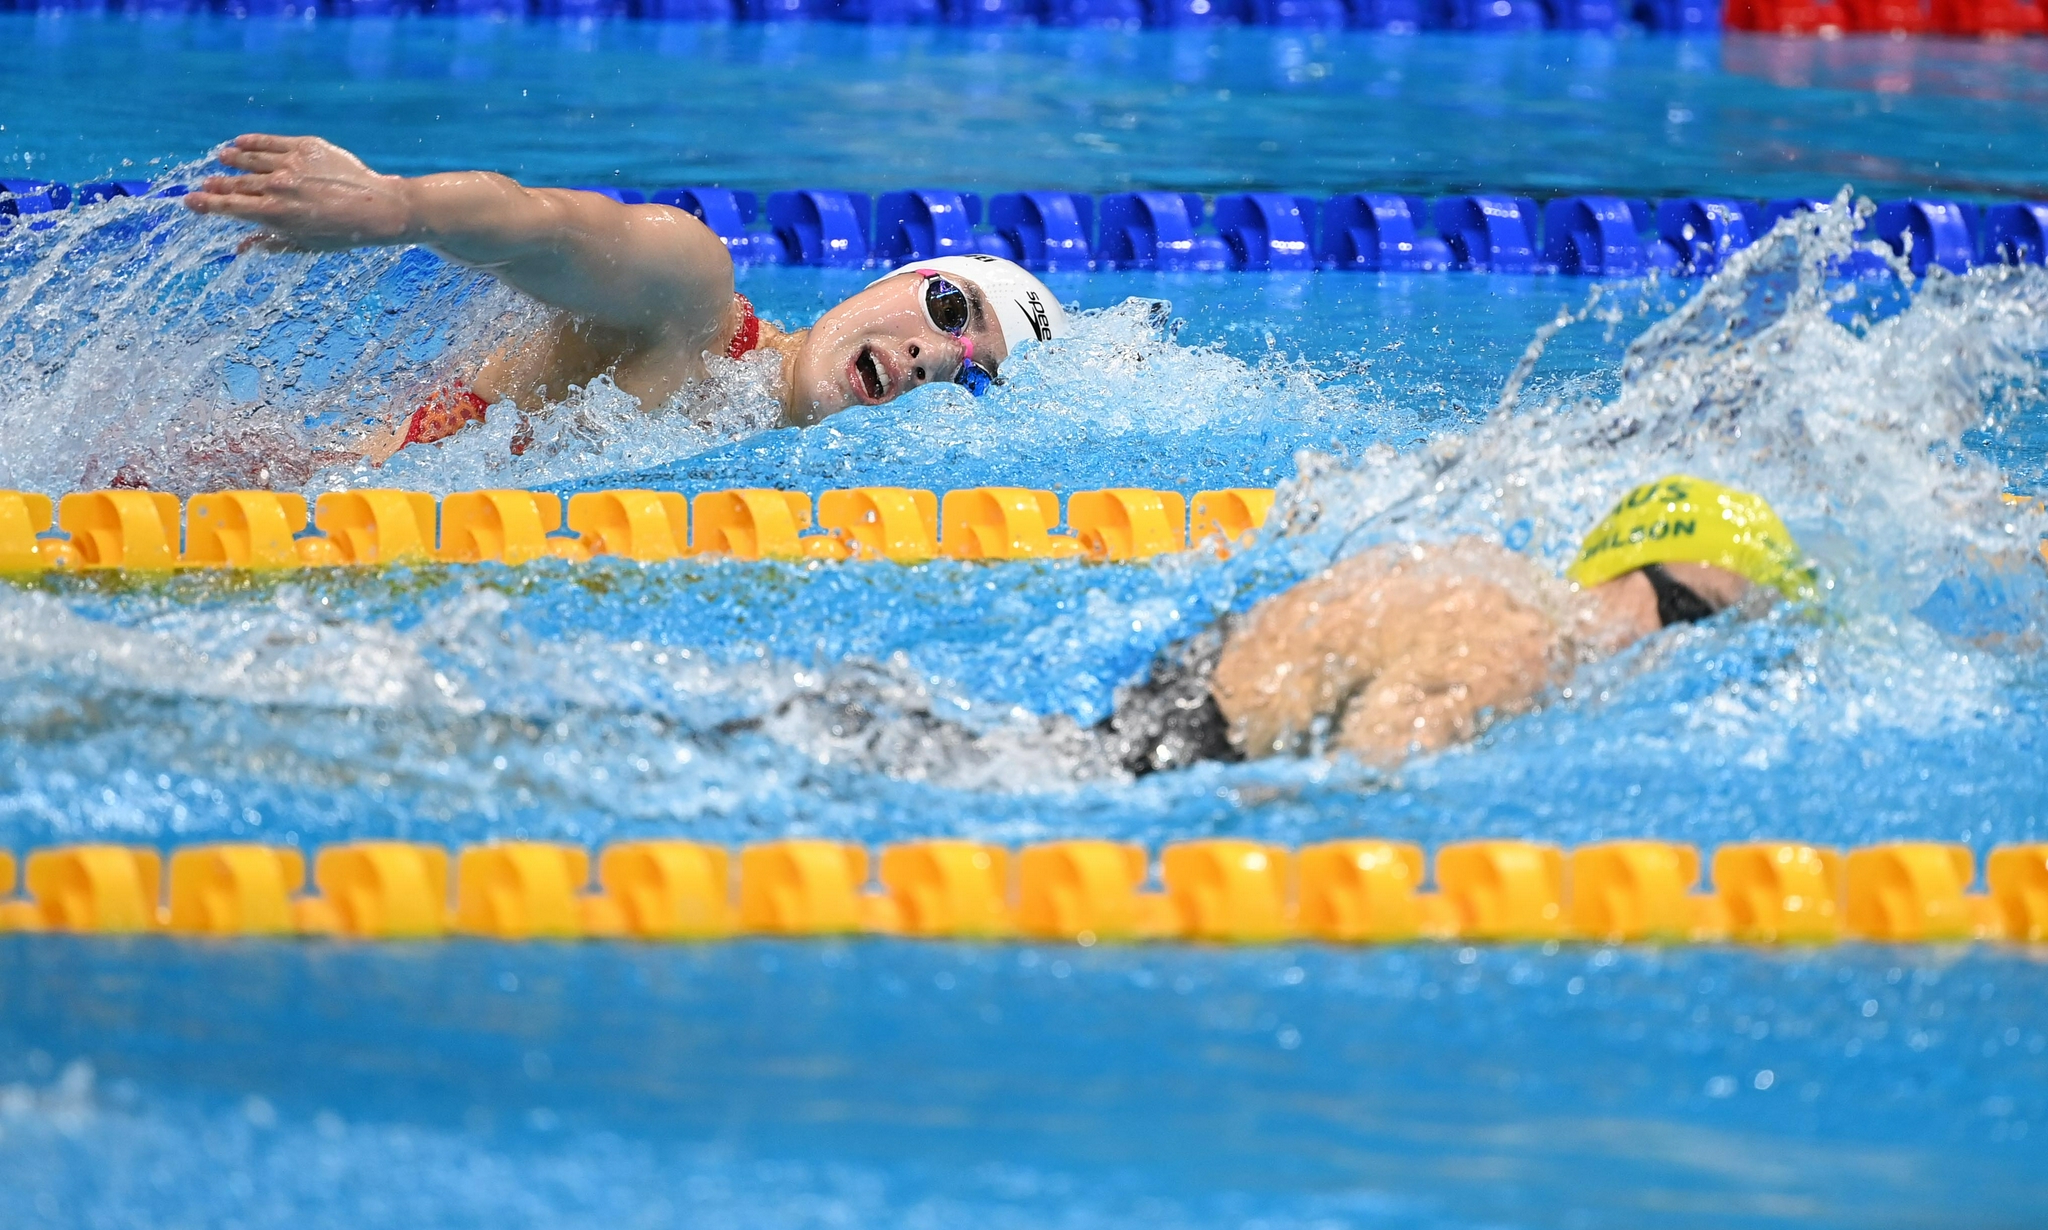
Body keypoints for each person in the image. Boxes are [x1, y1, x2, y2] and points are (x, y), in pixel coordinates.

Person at [183, 134, 1069, 460]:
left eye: (972, 378)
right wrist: (401, 207)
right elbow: (550, 228)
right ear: (894, 281)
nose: (937, 357)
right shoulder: (694, 307)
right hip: (243, 506)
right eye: (952, 313)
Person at [1095, 475, 1812, 773]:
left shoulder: (1509, 582)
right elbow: (1363, 774)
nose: (1686, 649)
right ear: (1625, 570)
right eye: (1690, 615)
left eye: (1725, 635)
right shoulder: (1524, 640)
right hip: (1180, 755)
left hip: (1183, 707)